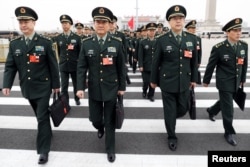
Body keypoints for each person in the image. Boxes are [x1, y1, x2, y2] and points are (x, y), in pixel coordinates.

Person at [2, 6, 60, 164]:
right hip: (27, 87)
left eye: (26, 21)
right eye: (21, 22)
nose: (23, 25)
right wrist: (6, 84)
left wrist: (56, 85)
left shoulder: (45, 42)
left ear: (34, 23)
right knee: (40, 116)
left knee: (41, 117)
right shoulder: (15, 44)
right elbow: (10, 66)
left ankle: (43, 151)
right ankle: (46, 131)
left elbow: (53, 66)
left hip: (43, 86)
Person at [76, 7, 126, 162]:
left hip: (111, 87)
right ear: (94, 23)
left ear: (110, 24)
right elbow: (81, 67)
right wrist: (79, 87)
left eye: (104, 22)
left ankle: (110, 148)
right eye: (98, 21)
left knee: (110, 119)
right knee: (95, 118)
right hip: (94, 87)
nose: (101, 24)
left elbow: (121, 67)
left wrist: (122, 87)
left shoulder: (116, 43)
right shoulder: (86, 43)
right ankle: (100, 126)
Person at [150, 5, 198, 151]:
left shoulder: (192, 39)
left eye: (181, 18)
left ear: (184, 21)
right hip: (167, 82)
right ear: (169, 22)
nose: (178, 21)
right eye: (175, 18)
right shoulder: (162, 40)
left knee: (183, 109)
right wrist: (153, 80)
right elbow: (155, 62)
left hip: (184, 81)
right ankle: (171, 135)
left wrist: (194, 79)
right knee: (170, 112)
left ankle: (172, 117)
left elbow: (194, 62)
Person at [203, 18, 248, 146]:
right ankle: (229, 131)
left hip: (236, 81)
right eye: (235, 31)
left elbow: (244, 65)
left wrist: (243, 79)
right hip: (224, 82)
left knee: (225, 101)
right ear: (227, 32)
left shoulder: (244, 46)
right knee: (228, 107)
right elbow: (211, 65)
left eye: (240, 30)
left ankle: (212, 110)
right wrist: (206, 80)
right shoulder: (219, 48)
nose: (238, 33)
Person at [53, 14, 82, 106]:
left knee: (76, 84)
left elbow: (80, 53)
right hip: (63, 65)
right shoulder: (59, 38)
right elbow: (58, 51)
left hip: (74, 65)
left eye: (66, 23)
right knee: (64, 86)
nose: (64, 25)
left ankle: (77, 98)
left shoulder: (77, 38)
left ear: (70, 25)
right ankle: (66, 103)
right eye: (63, 23)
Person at [138, 22, 157, 102]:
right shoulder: (143, 42)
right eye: (150, 30)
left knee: (153, 82)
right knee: (146, 81)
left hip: (155, 66)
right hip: (145, 66)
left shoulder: (158, 41)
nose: (152, 32)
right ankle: (144, 90)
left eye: (153, 30)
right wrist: (141, 65)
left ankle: (151, 95)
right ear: (147, 31)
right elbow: (140, 55)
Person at [185, 20, 202, 84]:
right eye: (192, 28)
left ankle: (192, 91)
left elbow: (199, 51)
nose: (193, 30)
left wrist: (199, 61)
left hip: (195, 60)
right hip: (187, 59)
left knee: (194, 75)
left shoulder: (198, 38)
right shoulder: (185, 37)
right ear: (187, 29)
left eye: (194, 28)